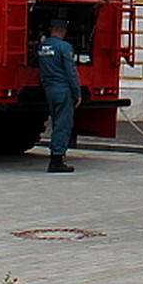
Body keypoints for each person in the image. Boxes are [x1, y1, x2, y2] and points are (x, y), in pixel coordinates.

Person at [39, 16, 81, 173]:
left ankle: (56, 156)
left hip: (49, 88)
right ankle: (56, 159)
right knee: (63, 124)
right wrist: (77, 93)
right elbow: (71, 72)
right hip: (63, 89)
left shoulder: (42, 47)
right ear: (63, 30)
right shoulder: (64, 47)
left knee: (57, 121)